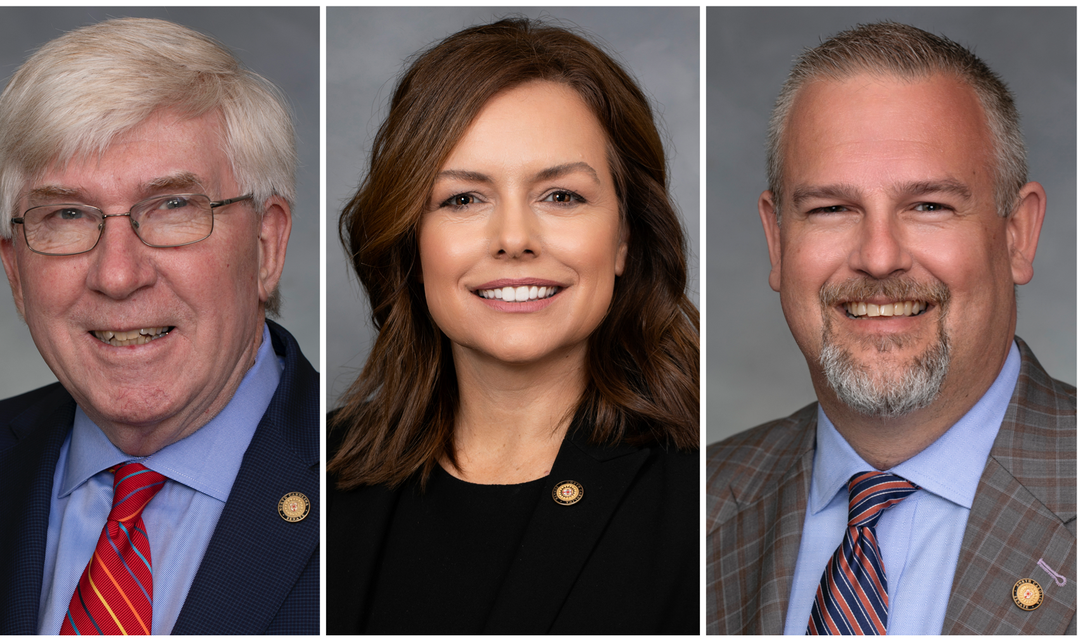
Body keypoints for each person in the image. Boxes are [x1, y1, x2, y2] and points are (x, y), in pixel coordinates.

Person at [327, 17, 700, 634]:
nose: (514, 241)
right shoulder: (312, 481)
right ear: (411, 243)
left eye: (561, 196)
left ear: (625, 240)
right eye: (462, 199)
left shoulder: (710, 498)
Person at [0, 18, 319, 634]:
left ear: (266, 243)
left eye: (173, 206)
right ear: (15, 270)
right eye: (66, 214)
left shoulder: (378, 490)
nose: (117, 275)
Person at [706, 21, 1075, 634]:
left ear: (1018, 233)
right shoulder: (693, 507)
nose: (879, 257)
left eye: (929, 206)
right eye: (831, 209)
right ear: (777, 241)